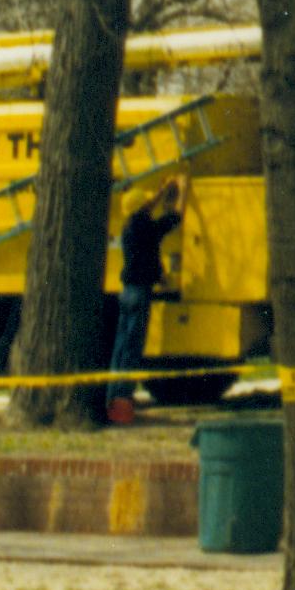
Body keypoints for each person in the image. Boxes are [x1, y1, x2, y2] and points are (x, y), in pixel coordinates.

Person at [108, 178, 185, 415]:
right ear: (142, 208)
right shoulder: (144, 227)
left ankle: (114, 394)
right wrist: (178, 201)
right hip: (140, 292)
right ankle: (123, 396)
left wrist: (160, 193)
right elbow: (168, 222)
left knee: (121, 346)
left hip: (127, 291)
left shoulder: (131, 225)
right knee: (132, 346)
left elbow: (146, 207)